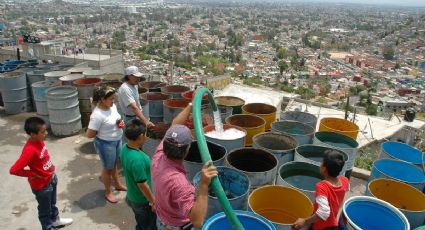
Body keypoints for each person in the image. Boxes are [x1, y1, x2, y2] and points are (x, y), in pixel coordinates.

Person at [151, 102, 218, 229]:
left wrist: (192, 104)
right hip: (176, 226)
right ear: (187, 150)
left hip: (162, 219)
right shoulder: (178, 182)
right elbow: (197, 221)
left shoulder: (159, 155)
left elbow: (175, 123)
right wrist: (203, 186)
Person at [9, 117, 73, 230]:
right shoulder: (29, 150)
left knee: (52, 204)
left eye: (45, 130)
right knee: (44, 210)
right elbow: (14, 170)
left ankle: (55, 220)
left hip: (51, 178)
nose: (46, 133)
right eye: (43, 132)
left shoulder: (39, 140)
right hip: (42, 186)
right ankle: (48, 227)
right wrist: (32, 174)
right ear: (33, 134)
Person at [86, 86, 127, 204]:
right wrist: (103, 130)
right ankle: (108, 192)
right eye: (110, 99)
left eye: (114, 98)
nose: (113, 101)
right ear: (102, 99)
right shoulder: (97, 115)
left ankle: (118, 184)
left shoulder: (112, 106)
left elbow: (115, 118)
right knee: (107, 168)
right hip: (105, 144)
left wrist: (119, 123)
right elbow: (89, 134)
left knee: (113, 164)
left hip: (117, 140)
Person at [293, 150, 350, 230]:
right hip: (333, 224)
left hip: (321, 227)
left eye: (322, 163)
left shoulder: (322, 186)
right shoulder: (344, 180)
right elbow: (344, 193)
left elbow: (324, 212)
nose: (320, 164)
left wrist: (304, 221)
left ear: (324, 169)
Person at [121, 119, 157, 230]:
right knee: (149, 226)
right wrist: (153, 201)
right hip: (142, 201)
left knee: (141, 223)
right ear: (141, 136)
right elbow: (142, 185)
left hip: (133, 195)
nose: (146, 136)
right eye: (146, 134)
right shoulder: (137, 160)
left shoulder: (124, 148)